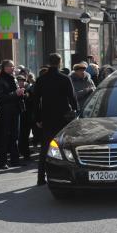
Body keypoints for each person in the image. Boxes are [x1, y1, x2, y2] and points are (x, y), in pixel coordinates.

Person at [34, 53, 78, 186]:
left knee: (45, 147)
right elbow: (72, 97)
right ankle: (64, 176)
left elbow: (35, 100)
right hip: (63, 116)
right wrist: (77, 112)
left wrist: (37, 118)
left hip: (47, 116)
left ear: (49, 62)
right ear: (60, 62)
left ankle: (41, 178)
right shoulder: (64, 78)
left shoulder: (41, 79)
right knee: (64, 146)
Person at [0, 60, 25, 169]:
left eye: (13, 66)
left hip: (15, 110)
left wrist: (21, 93)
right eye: (11, 66)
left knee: (15, 135)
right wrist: (15, 93)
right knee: (5, 136)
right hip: (5, 112)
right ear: (5, 68)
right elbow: (1, 98)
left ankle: (15, 160)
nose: (13, 68)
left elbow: (16, 95)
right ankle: (3, 162)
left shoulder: (14, 79)